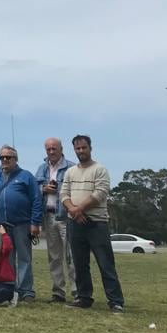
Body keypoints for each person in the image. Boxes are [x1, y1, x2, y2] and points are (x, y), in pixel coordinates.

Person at [61, 135, 125, 314]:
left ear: (90, 148)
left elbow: (100, 193)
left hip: (97, 223)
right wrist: (73, 211)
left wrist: (78, 209)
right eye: (77, 149)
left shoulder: (100, 169)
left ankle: (115, 301)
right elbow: (63, 194)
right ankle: (84, 297)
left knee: (105, 263)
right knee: (80, 264)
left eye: (84, 148)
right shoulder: (70, 172)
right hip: (75, 224)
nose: (81, 151)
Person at [0, 146, 42, 303]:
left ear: (16, 159)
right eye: (2, 157)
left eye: (9, 157)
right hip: (1, 226)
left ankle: (26, 291)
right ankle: (9, 288)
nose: (5, 160)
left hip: (22, 224)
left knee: (24, 258)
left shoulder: (26, 176)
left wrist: (35, 222)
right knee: (4, 259)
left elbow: (36, 199)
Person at [35, 137, 77, 303]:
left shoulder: (71, 167)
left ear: (61, 149)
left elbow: (77, 191)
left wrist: (59, 189)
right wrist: (43, 189)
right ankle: (58, 292)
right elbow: (33, 189)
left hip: (66, 216)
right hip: (48, 216)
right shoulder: (41, 169)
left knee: (72, 256)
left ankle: (77, 292)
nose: (51, 152)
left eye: (54, 148)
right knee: (54, 257)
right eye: (48, 149)